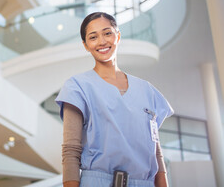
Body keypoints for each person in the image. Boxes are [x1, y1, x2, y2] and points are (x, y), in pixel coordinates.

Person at [55, 12, 174, 187]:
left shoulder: (147, 90)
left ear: (118, 36)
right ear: (86, 45)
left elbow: (156, 152)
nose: (102, 41)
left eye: (107, 33)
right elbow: (71, 151)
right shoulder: (76, 87)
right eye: (93, 37)